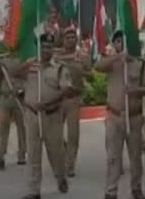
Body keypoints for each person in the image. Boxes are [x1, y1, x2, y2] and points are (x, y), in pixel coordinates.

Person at [95, 30, 145, 199]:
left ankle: (136, 188)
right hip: (114, 117)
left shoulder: (140, 64)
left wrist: (135, 90)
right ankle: (110, 191)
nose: (122, 44)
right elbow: (97, 66)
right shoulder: (112, 63)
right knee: (113, 157)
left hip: (134, 117)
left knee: (136, 157)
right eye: (118, 41)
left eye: (124, 41)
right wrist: (117, 57)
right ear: (115, 44)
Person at [21, 33, 72, 199]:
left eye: (49, 47)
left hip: (52, 115)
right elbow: (13, 75)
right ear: (38, 47)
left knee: (56, 153)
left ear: (53, 48)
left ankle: (60, 176)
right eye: (42, 46)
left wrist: (47, 102)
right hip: (32, 115)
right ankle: (33, 191)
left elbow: (66, 90)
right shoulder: (30, 64)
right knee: (33, 154)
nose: (45, 49)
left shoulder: (60, 68)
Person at [54, 25, 92, 177]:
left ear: (76, 40)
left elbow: (90, 74)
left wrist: (83, 70)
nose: (70, 40)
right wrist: (68, 58)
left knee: (73, 134)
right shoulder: (54, 55)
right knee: (55, 133)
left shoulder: (83, 55)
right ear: (62, 40)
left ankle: (70, 165)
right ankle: (62, 153)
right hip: (57, 99)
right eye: (67, 38)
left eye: (72, 38)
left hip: (74, 99)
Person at [0, 50, 27, 170]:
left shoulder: (24, 58)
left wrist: (22, 90)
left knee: (22, 127)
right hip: (5, 96)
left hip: (19, 97)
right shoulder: (3, 59)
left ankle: (22, 153)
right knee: (3, 126)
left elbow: (28, 77)